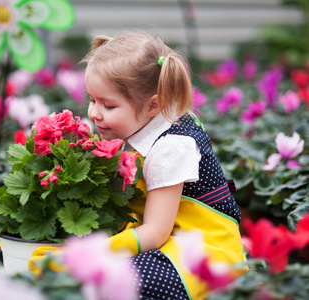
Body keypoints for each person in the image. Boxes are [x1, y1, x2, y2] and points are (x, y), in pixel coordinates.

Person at [81, 31, 247, 299]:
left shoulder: (171, 146)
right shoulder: (137, 126)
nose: (94, 113)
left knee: (119, 280)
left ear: (153, 105)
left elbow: (156, 232)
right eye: (92, 99)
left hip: (199, 246)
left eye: (108, 105)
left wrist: (98, 252)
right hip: (162, 235)